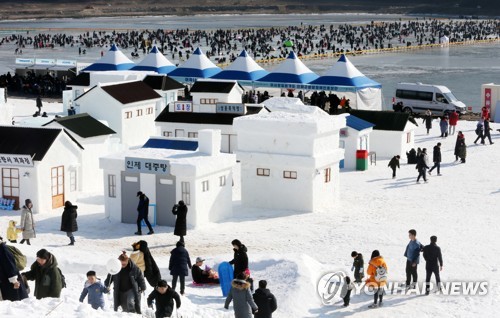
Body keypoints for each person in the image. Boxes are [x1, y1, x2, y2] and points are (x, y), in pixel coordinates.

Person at [0, 237, 28, 301]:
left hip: (12, 282)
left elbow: (10, 265)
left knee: (17, 302)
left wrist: (14, 281)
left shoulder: (3, 249)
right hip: (6, 281)